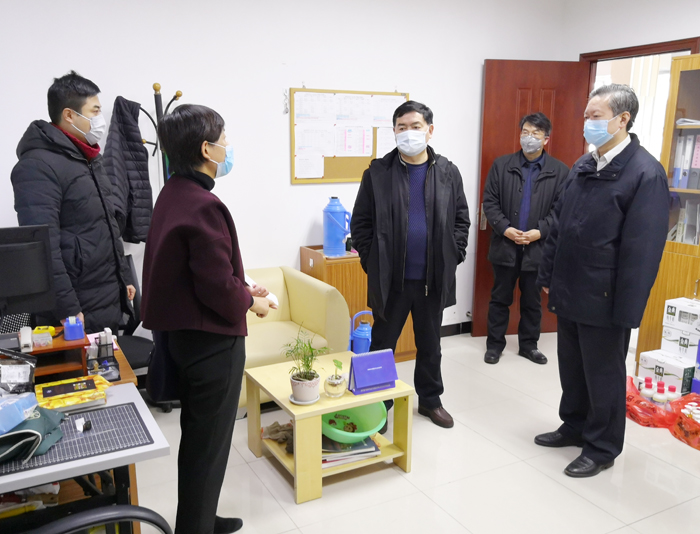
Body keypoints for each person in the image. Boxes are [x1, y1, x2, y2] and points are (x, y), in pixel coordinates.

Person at [141, 104, 272, 534]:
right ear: (206, 149)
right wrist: (249, 301)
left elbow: (193, 270)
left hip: (181, 339)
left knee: (199, 442)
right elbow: (216, 287)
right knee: (209, 446)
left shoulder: (172, 193)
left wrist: (240, 286)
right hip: (211, 345)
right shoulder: (203, 205)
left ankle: (200, 518)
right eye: (224, 138)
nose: (227, 146)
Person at [535, 84, 669, 477]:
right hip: (570, 288)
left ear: (622, 119)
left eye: (596, 116)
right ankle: (574, 425)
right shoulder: (584, 165)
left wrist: (628, 310)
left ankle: (602, 446)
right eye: (587, 116)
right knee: (572, 366)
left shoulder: (645, 173)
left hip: (606, 296)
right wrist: (547, 274)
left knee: (603, 374)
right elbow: (559, 226)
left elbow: (642, 251)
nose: (587, 123)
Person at [351, 100, 470, 429]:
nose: (408, 133)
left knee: (431, 345)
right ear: (394, 131)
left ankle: (430, 401)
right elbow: (361, 224)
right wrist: (372, 260)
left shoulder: (448, 172)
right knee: (382, 346)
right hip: (392, 281)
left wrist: (454, 254)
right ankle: (378, 405)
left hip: (433, 278)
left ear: (429, 131)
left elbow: (461, 220)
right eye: (401, 127)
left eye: (415, 126)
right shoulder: (378, 173)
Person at [11, 71, 134, 334]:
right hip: (75, 311)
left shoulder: (89, 159)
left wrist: (123, 279)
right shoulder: (37, 166)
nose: (100, 119)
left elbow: (106, 226)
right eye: (94, 111)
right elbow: (44, 249)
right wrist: (67, 309)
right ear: (69, 115)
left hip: (105, 300)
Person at [482, 112, 569, 365]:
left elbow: (561, 210)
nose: (529, 138)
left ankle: (529, 346)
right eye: (525, 132)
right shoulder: (502, 165)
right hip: (505, 245)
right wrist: (506, 229)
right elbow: (490, 203)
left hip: (538, 248)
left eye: (535, 134)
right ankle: (494, 346)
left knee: (532, 301)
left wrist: (540, 231)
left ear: (546, 139)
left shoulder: (560, 171)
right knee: (500, 299)